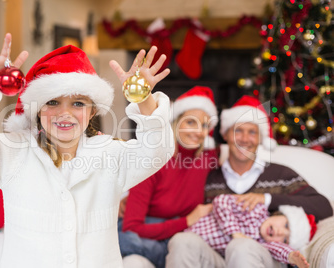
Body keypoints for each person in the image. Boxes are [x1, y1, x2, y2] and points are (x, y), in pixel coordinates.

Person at [0, 30, 175, 267]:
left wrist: (143, 98)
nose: (64, 113)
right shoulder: (13, 152)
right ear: (37, 109)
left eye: (77, 103)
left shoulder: (110, 155)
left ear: (92, 112)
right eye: (53, 102)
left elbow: (157, 150)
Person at [166, 95, 333, 268]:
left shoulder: (280, 174)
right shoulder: (209, 177)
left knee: (241, 246)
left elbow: (323, 208)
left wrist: (267, 199)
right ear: (226, 135)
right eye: (238, 130)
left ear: (261, 138)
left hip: (262, 256)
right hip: (215, 257)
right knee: (182, 240)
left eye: (252, 132)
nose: (244, 139)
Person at [118, 86, 220, 268]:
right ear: (175, 122)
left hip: (181, 241)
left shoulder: (209, 157)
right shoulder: (154, 160)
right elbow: (131, 228)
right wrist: (187, 221)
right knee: (127, 243)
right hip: (148, 238)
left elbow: (243, 148)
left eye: (204, 125)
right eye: (191, 122)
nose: (198, 131)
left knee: (181, 246)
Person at [185, 194, 315, 268]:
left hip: (209, 255)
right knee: (182, 243)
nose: (281, 232)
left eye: (286, 239)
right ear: (278, 213)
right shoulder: (255, 209)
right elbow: (221, 200)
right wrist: (235, 233)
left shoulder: (261, 244)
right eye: (286, 225)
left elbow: (277, 248)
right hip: (192, 232)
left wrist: (291, 256)